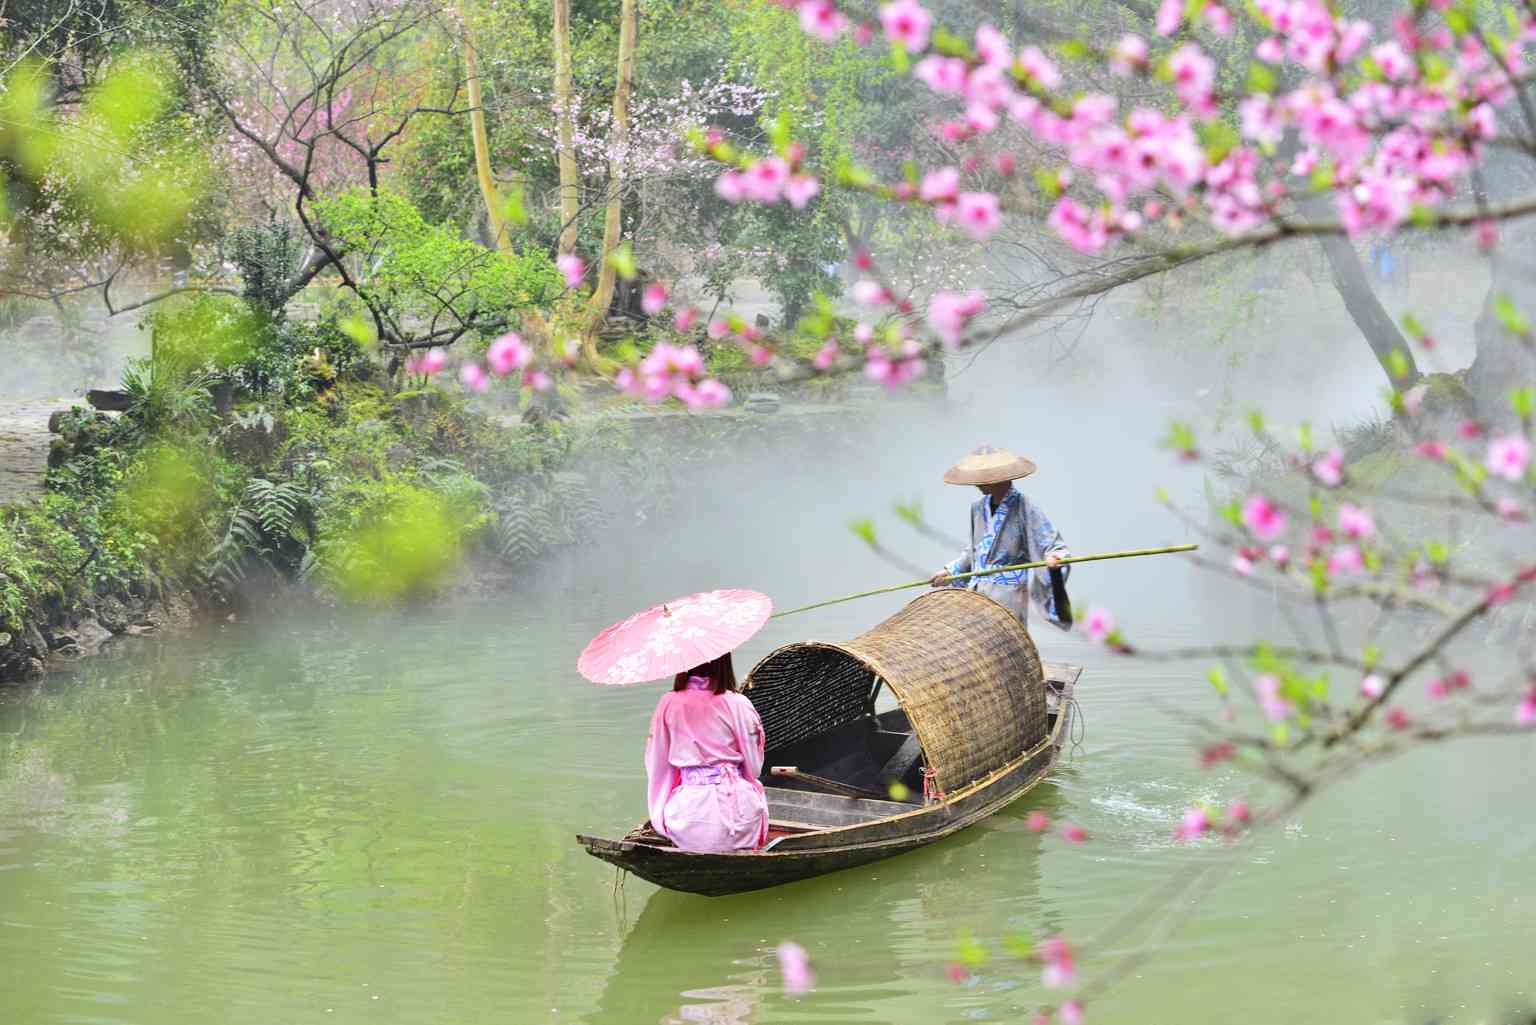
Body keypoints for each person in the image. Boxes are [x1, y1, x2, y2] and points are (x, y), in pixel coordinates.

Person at [928, 445, 1073, 629]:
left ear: (997, 479)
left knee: (1006, 645)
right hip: (977, 594)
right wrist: (950, 571)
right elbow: (974, 551)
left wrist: (1055, 559)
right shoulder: (978, 508)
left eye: (982, 478)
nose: (977, 484)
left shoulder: (1026, 507)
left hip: (1008, 597)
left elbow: (1054, 546)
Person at [644, 652, 769, 853]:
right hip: (739, 813)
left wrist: (661, 812)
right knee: (753, 796)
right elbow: (754, 768)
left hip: (687, 816)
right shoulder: (738, 703)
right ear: (724, 661)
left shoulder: (668, 703)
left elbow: (656, 764)